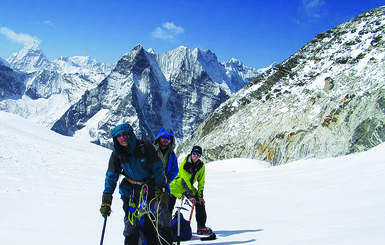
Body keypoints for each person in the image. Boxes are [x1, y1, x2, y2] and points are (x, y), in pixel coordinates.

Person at [99, 123, 173, 245]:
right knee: (131, 221)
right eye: (119, 136)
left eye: (125, 134)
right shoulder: (117, 154)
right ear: (115, 139)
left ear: (130, 134)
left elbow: (158, 167)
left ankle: (161, 242)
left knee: (160, 215)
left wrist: (161, 188)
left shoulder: (144, 147)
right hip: (130, 192)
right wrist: (107, 198)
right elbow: (111, 176)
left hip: (150, 188)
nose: (122, 138)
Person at [169, 146, 212, 235]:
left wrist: (199, 196)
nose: (195, 156)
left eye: (198, 155)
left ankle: (201, 226)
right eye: (194, 154)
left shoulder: (201, 166)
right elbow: (184, 181)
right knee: (169, 206)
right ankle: (166, 228)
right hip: (176, 187)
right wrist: (191, 196)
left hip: (188, 188)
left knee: (200, 203)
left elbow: (201, 182)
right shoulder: (184, 164)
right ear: (191, 153)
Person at [153, 127, 179, 196]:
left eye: (169, 138)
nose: (166, 139)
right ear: (159, 137)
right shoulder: (152, 151)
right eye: (164, 137)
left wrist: (169, 177)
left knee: (163, 205)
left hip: (163, 185)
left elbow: (175, 169)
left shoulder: (171, 154)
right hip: (151, 183)